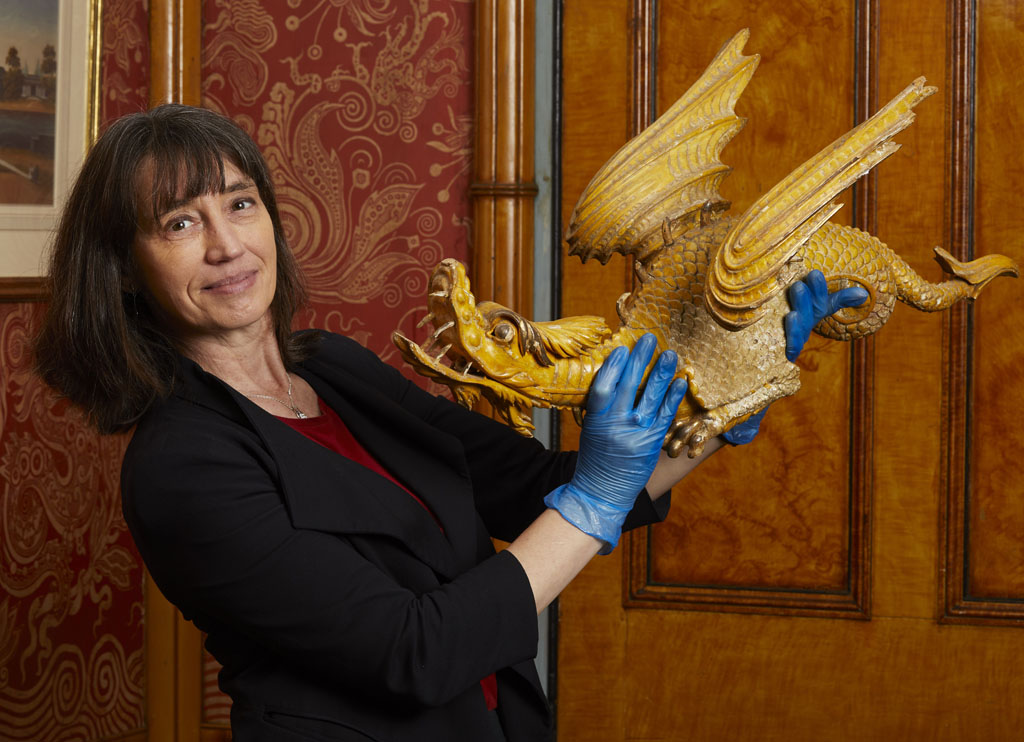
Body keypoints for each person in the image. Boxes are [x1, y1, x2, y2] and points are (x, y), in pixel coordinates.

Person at [34, 104, 866, 741]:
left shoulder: (331, 367)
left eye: (240, 203)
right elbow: (412, 650)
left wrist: (739, 384)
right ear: (125, 272)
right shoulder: (183, 466)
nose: (226, 245)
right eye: (179, 223)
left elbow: (538, 489)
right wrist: (601, 492)